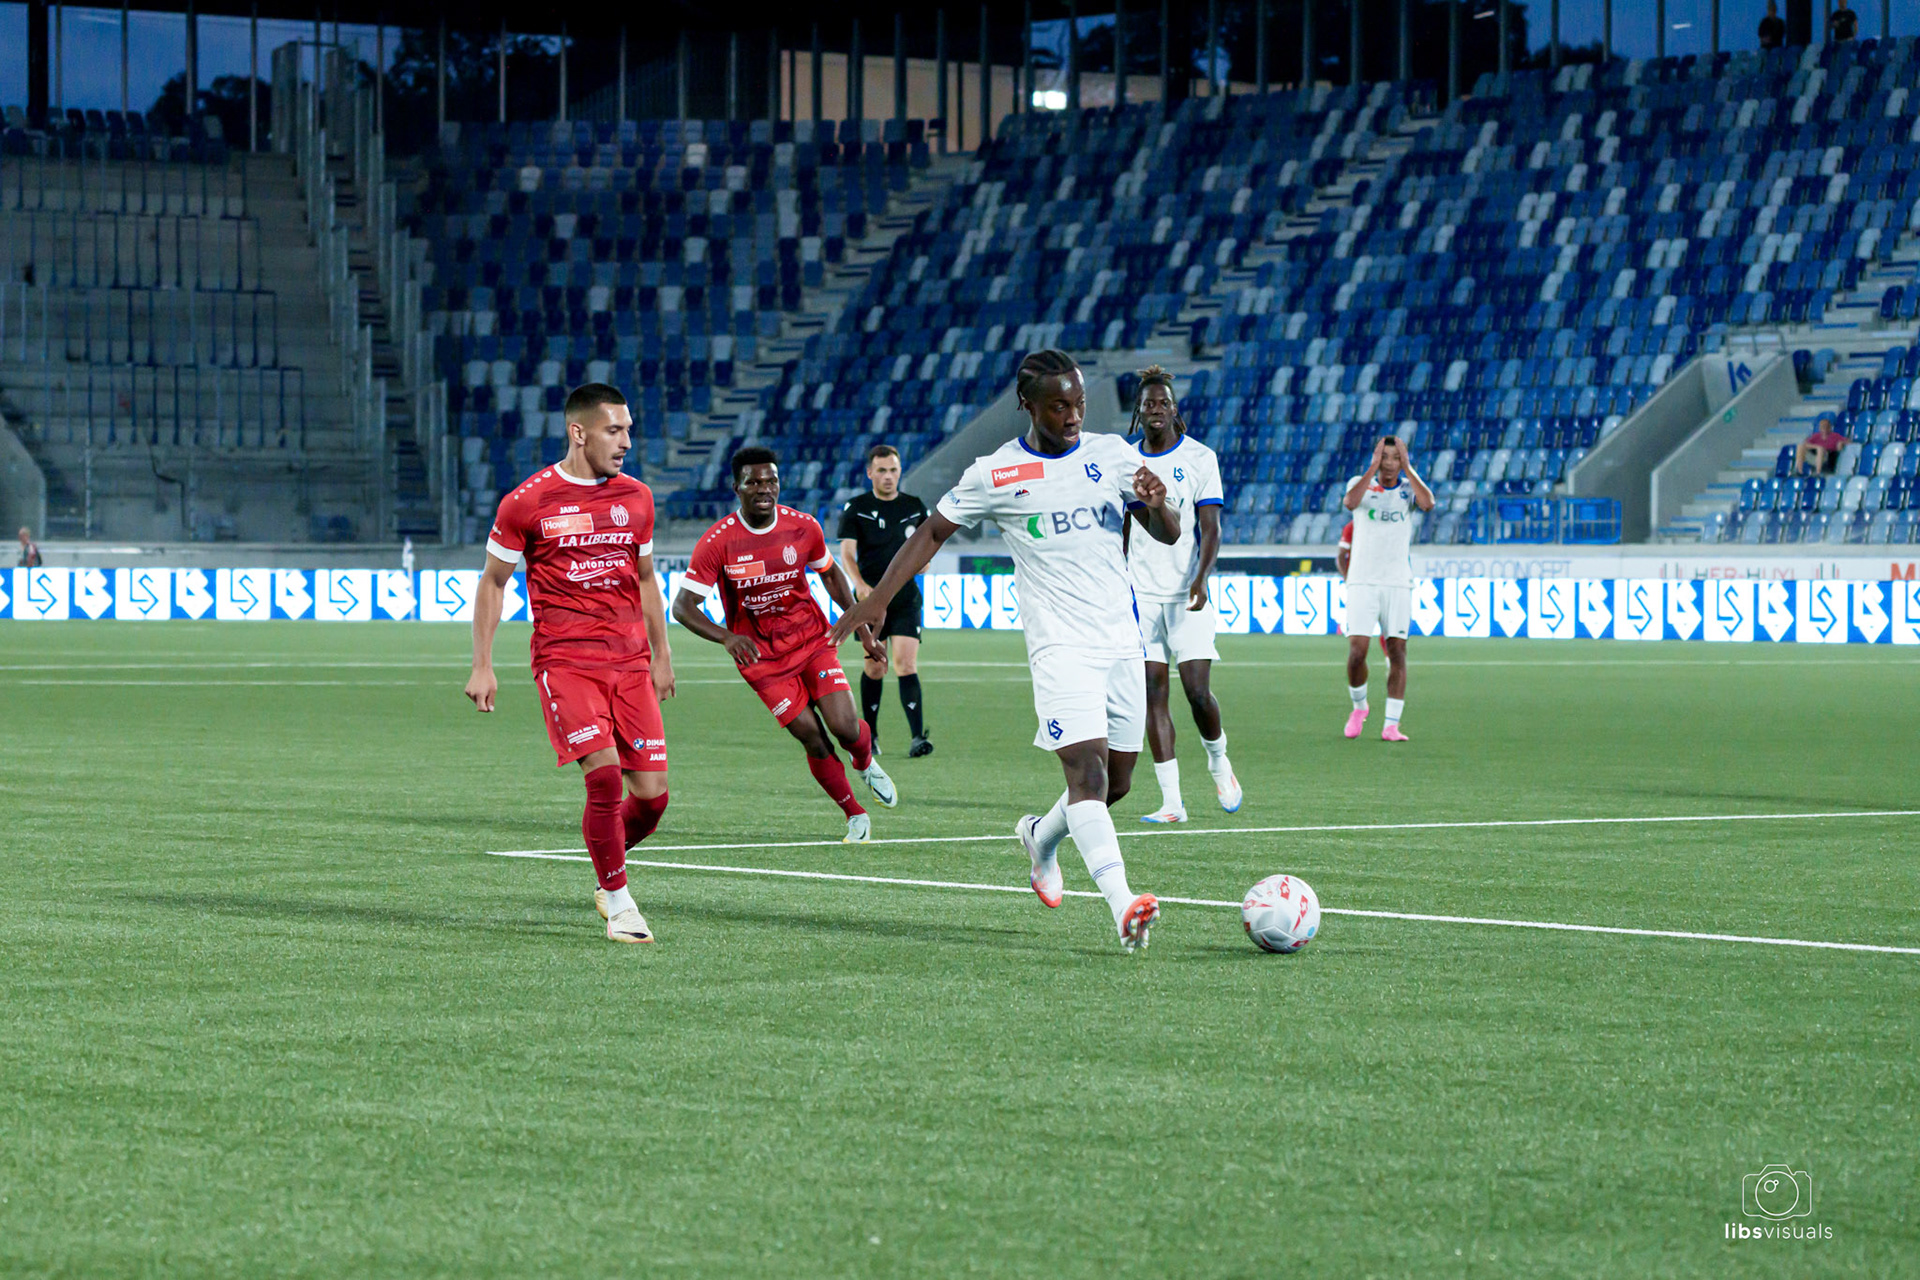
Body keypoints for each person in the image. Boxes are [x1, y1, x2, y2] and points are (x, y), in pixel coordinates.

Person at [831, 349, 1182, 952]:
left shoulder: (1112, 455)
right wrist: (879, 598)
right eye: (1058, 406)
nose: (1073, 416)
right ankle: (1124, 906)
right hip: (1058, 647)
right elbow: (932, 531)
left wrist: (1157, 504)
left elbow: (1168, 531)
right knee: (1089, 775)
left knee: (1117, 784)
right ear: (1028, 405)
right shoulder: (996, 473)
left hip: (1123, 642)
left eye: (1078, 404)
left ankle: (1041, 839)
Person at [465, 384, 674, 945]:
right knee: (604, 777)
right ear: (578, 432)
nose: (627, 441)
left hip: (630, 662)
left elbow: (648, 579)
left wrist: (662, 654)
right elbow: (492, 581)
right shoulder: (527, 502)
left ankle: (606, 857)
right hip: (566, 660)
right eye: (615, 430)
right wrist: (482, 663)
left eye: (629, 429)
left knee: (653, 798)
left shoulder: (638, 498)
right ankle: (620, 900)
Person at [672, 446, 897, 843]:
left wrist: (864, 632)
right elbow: (683, 607)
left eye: (771, 480)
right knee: (811, 735)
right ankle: (854, 814)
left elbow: (830, 575)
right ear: (736, 487)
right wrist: (727, 636)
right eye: (754, 482)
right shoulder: (718, 542)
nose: (764, 489)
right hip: (760, 659)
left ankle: (864, 763)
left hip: (811, 639)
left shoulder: (802, 527)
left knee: (844, 726)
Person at [1121, 366, 1241, 824]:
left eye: (1162, 403)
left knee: (1197, 692)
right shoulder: (1125, 459)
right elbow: (1125, 526)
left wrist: (1202, 576)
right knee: (1153, 694)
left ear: (1174, 409)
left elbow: (1210, 529)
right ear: (1139, 409)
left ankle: (1218, 759)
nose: (1155, 409)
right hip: (1139, 595)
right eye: (1147, 403)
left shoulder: (1199, 458)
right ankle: (1173, 802)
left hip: (1186, 592)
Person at [837, 444, 934, 758]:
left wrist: (919, 565)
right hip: (868, 601)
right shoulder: (856, 508)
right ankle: (872, 735)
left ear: (900, 471)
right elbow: (847, 554)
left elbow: (928, 555)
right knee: (876, 667)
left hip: (905, 598)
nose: (888, 476)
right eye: (882, 470)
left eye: (893, 470)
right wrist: (860, 584)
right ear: (870, 473)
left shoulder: (915, 506)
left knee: (906, 663)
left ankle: (918, 737)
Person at [1341, 435, 1435, 743]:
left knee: (1397, 650)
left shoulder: (1409, 487)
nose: (1391, 464)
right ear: (1377, 459)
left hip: (1397, 581)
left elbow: (1428, 504)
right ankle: (1359, 707)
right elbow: (1350, 502)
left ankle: (1391, 724)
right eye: (1386, 458)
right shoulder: (1360, 483)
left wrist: (1410, 469)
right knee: (1358, 650)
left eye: (1396, 458)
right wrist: (1371, 469)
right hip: (1362, 580)